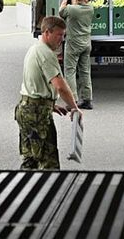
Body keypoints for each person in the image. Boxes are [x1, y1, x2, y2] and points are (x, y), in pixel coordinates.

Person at [15, 16, 81, 169]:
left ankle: (25, 190)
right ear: (47, 33)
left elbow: (34, 84)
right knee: (48, 163)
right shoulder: (46, 54)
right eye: (59, 35)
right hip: (37, 114)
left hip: (26, 109)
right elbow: (60, 86)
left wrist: (50, 105)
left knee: (30, 160)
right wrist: (74, 107)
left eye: (63, 35)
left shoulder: (35, 49)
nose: (62, 39)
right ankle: (50, 192)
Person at [59, 0, 94, 109]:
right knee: (85, 71)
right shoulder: (90, 9)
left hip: (73, 44)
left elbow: (61, 12)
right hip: (86, 43)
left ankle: (72, 100)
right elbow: (76, 8)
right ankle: (87, 99)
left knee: (70, 71)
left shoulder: (71, 9)